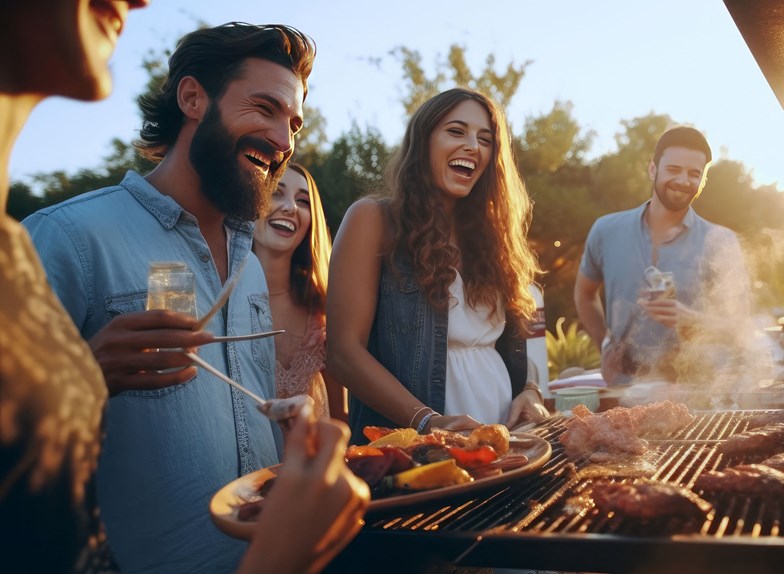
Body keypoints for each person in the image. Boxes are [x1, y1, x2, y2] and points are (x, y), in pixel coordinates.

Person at [18, 20, 366, 573]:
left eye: (294, 123)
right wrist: (82, 372)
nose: (283, 140)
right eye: (264, 108)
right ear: (193, 98)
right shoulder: (67, 237)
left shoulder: (250, 267)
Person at [327, 87, 548, 443]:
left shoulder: (494, 240)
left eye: (485, 139)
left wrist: (531, 391)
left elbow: (507, 348)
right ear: (423, 141)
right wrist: (426, 422)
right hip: (414, 453)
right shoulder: (374, 219)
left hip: (506, 445)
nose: (473, 146)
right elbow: (342, 352)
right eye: (456, 131)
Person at [574, 125, 753, 387]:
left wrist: (691, 320)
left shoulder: (721, 241)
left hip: (695, 394)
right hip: (623, 390)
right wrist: (604, 343)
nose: (683, 180)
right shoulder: (606, 230)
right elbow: (584, 294)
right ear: (652, 169)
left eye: (695, 173)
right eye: (673, 169)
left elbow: (739, 328)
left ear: (703, 180)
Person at [253, 163, 347, 420]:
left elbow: (341, 419)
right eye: (275, 193)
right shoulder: (222, 301)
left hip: (314, 456)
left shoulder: (324, 309)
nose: (290, 207)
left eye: (303, 201)